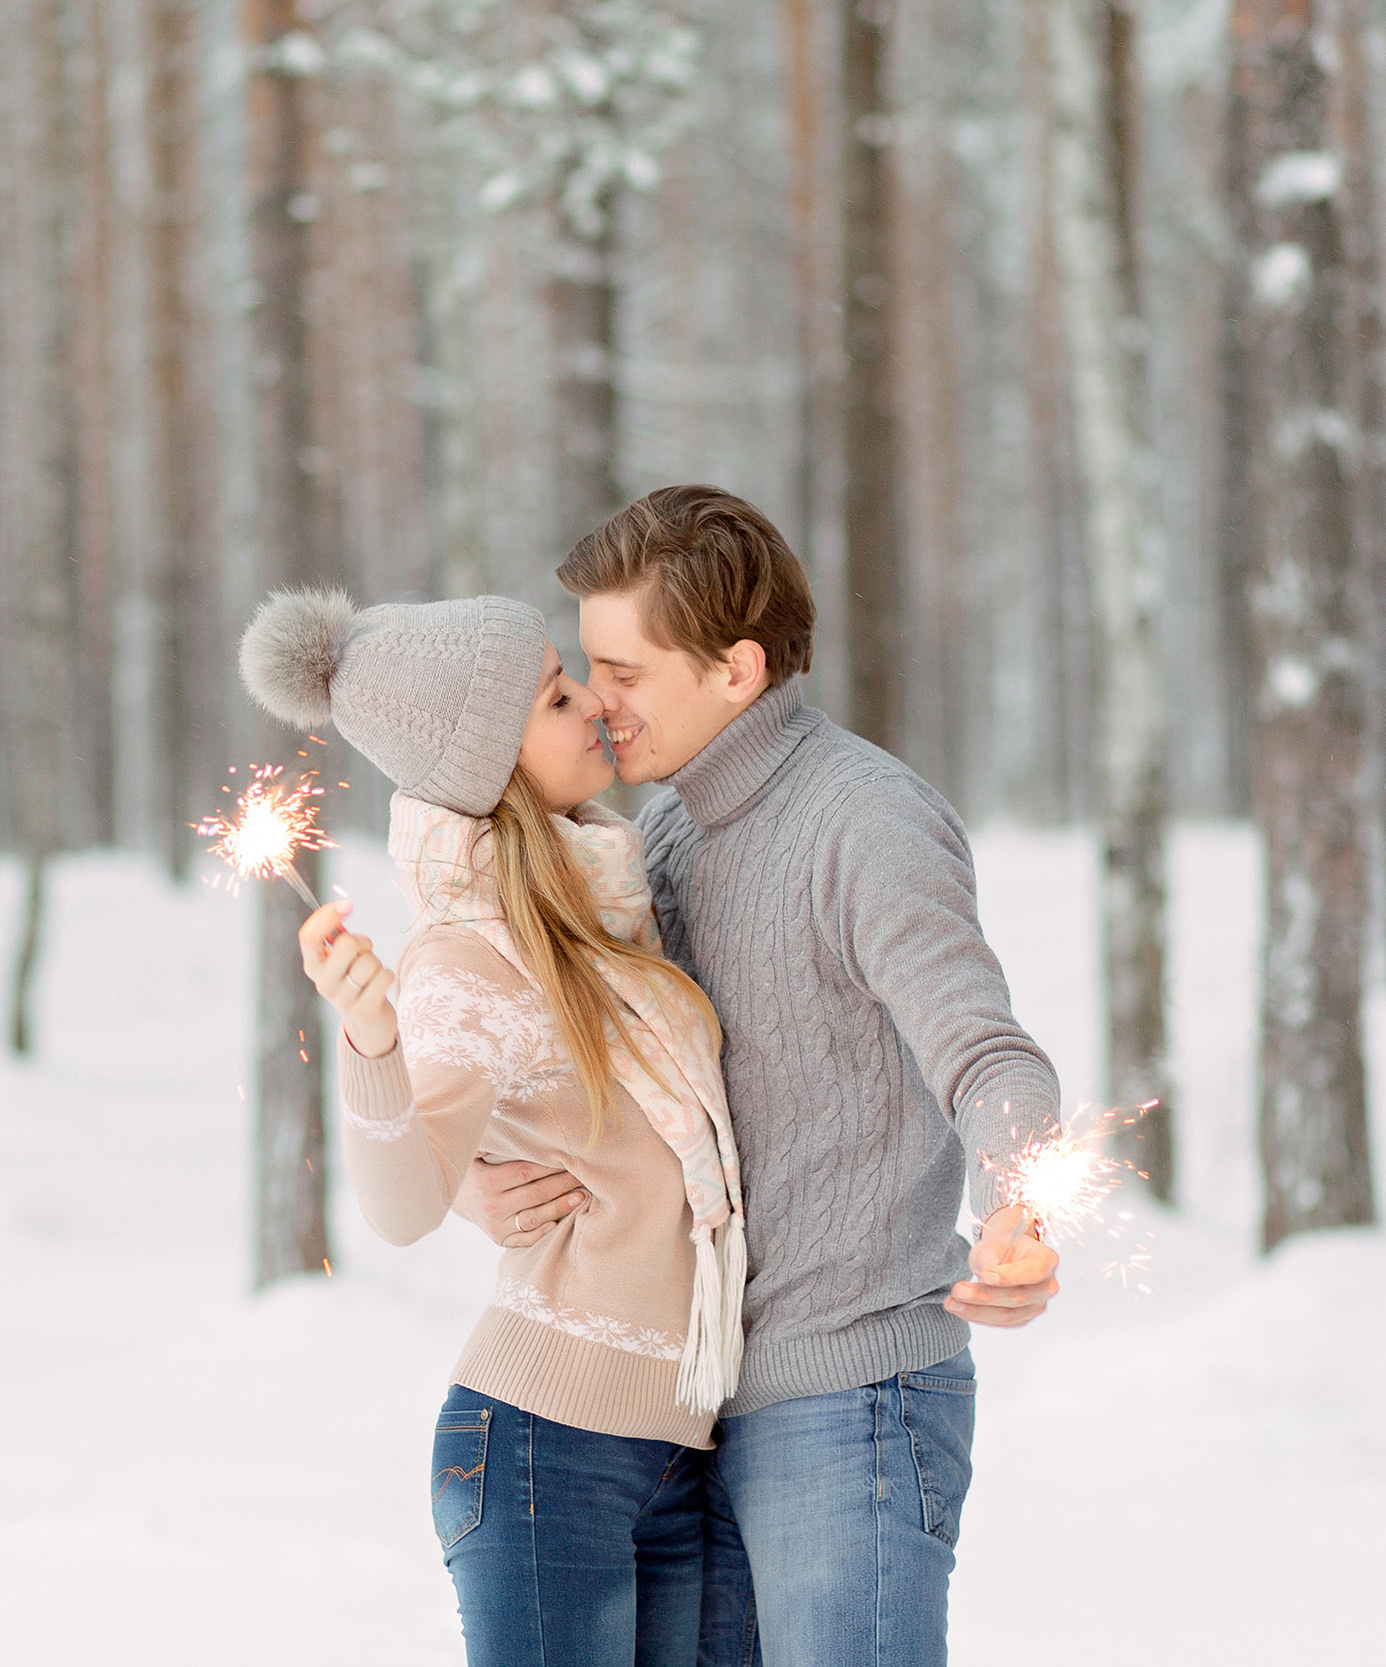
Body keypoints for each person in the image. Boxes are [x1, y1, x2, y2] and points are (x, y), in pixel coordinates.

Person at [456, 485, 1066, 1667]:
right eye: (585, 668)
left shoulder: (865, 821)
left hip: (850, 1398)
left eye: (624, 670)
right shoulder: (666, 834)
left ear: (736, 669)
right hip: (691, 1412)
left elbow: (987, 1051)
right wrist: (489, 1172)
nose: (597, 703)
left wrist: (1018, 1206)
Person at [238, 588, 751, 1667]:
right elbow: (400, 1205)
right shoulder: (470, 959)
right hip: (544, 1456)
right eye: (558, 697)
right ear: (493, 765)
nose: (592, 707)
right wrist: (375, 1042)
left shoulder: (603, 906)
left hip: (678, 1442)